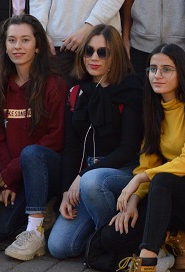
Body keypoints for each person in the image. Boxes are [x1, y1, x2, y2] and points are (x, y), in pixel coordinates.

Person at [94, 45, 185, 272]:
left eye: (166, 70)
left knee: (161, 181)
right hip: (167, 191)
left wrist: (140, 179)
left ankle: (145, 271)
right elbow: (147, 161)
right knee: (112, 237)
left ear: (181, 73)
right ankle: (170, 240)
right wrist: (133, 201)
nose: (157, 75)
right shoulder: (154, 110)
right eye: (153, 69)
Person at [48, 25, 143, 260]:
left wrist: (82, 176)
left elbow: (127, 149)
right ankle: (98, 230)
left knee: (92, 182)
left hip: (121, 172)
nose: (94, 58)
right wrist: (66, 192)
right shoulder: (77, 92)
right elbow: (71, 147)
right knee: (59, 247)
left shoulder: (131, 91)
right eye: (89, 51)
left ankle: (111, 241)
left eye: (103, 52)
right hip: (86, 176)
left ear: (115, 56)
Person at [0, 13, 68, 257]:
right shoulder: (0, 82)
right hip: (18, 174)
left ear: (37, 46)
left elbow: (56, 137)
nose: (17, 47)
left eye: (25, 40)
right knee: (3, 228)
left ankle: (36, 232)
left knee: (32, 153)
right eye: (12, 40)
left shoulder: (55, 84)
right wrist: (9, 181)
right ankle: (43, 212)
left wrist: (10, 173)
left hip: (49, 169)